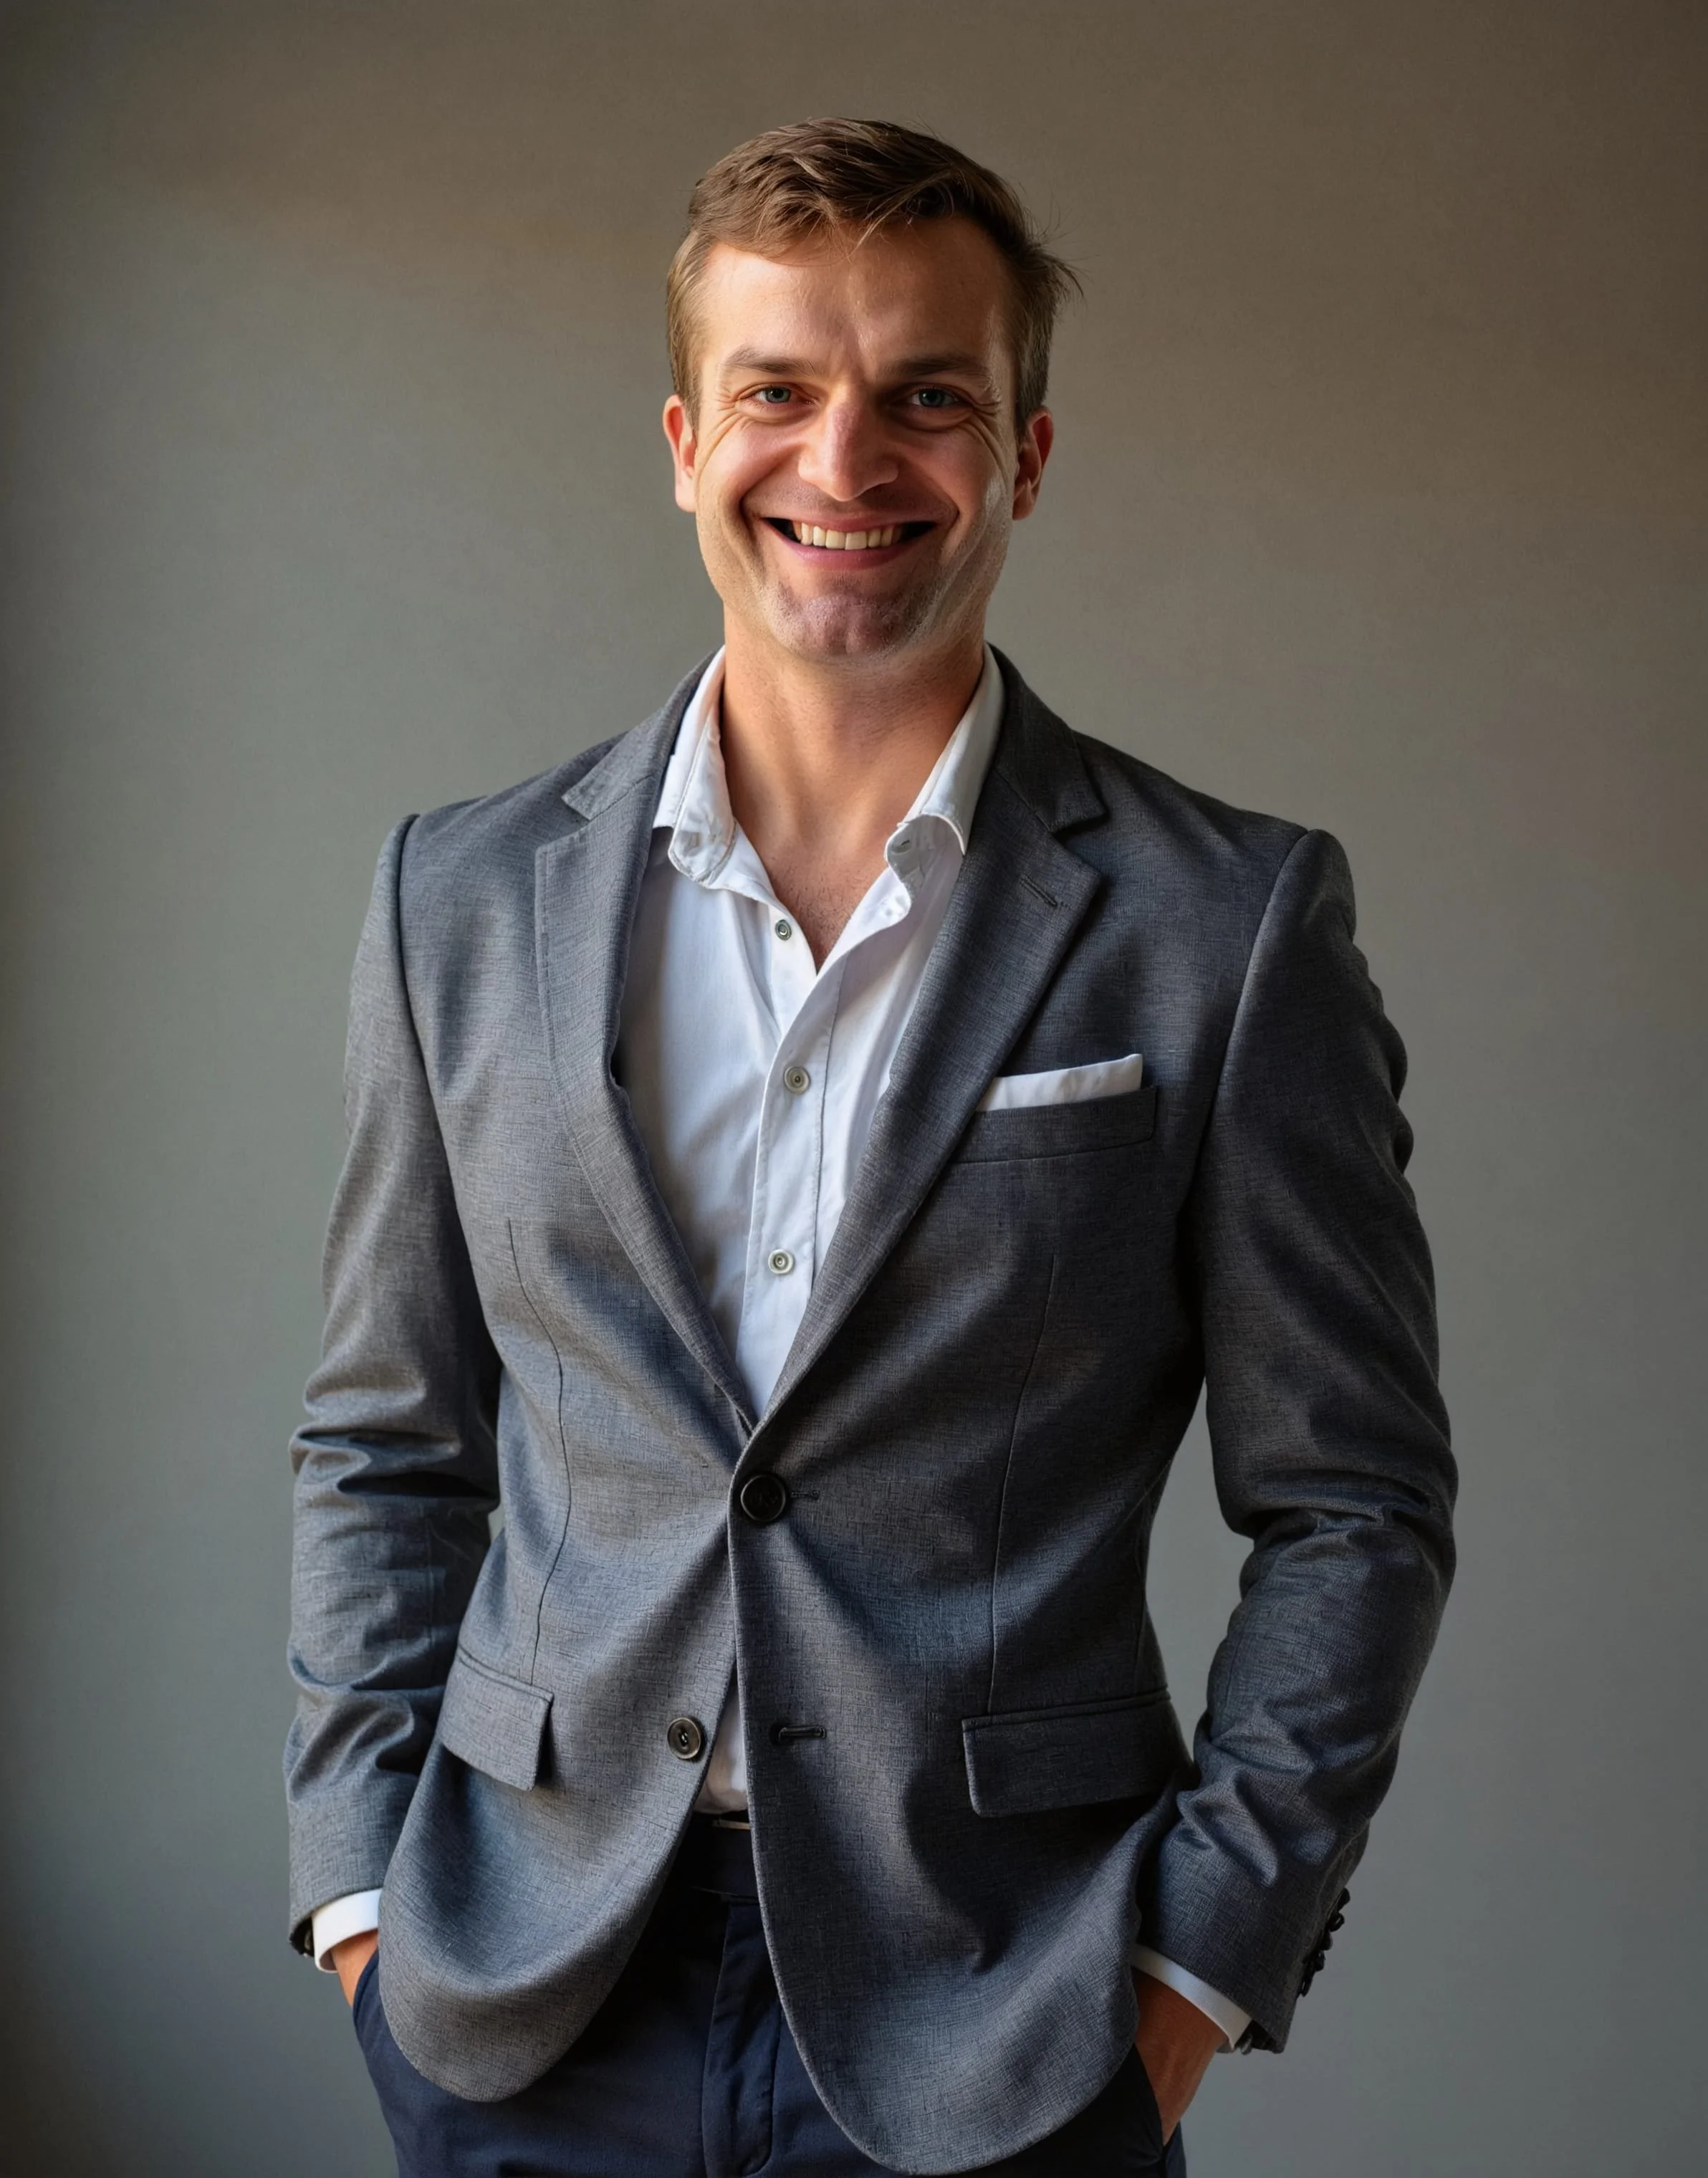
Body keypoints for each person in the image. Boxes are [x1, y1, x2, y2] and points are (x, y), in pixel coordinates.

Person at [285, 118, 1456, 2178]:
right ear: (682, 438)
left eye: (929, 398)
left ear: (1025, 454)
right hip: (520, 1998)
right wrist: (362, 1897)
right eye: (779, 393)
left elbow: (1353, 1500)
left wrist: (1191, 1978)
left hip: (1009, 2010)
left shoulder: (1225, 926)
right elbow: (386, 1435)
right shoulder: (454, 904)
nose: (847, 463)